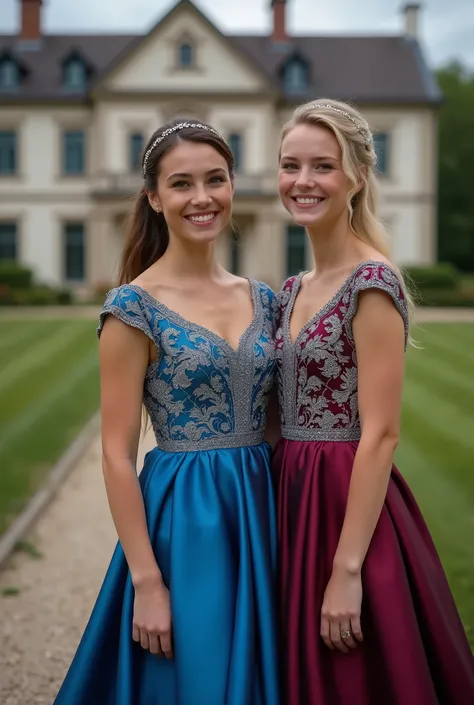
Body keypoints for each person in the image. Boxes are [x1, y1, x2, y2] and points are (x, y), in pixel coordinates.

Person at [53, 119, 280, 705]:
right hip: (187, 514)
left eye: (216, 179)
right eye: (182, 184)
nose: (202, 197)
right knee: (198, 670)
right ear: (155, 197)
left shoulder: (266, 298)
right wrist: (147, 581)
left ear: (233, 185)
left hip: (262, 505)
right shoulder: (132, 308)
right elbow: (114, 452)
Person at [272, 98, 474, 705]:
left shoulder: (374, 284)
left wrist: (346, 569)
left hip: (345, 500)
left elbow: (382, 433)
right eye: (290, 165)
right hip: (289, 493)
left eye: (322, 166)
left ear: (357, 177)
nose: (303, 182)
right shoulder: (290, 289)